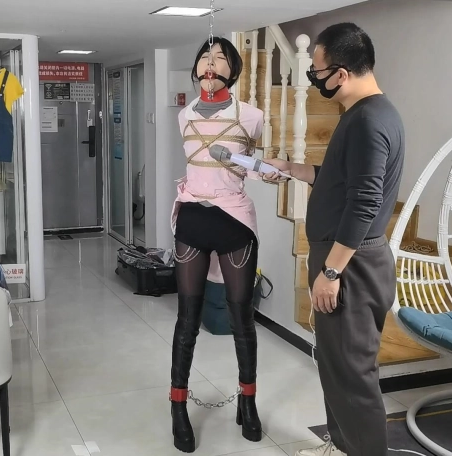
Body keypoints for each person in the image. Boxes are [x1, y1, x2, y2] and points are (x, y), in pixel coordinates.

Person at [264, 23, 405, 456]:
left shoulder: (367, 121)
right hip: (349, 258)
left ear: (341, 74)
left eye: (317, 72)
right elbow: (345, 180)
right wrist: (294, 169)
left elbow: (364, 203)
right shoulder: (367, 114)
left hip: (351, 264)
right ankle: (342, 447)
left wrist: (331, 271)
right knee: (337, 366)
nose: (313, 80)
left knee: (353, 375)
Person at [169, 37, 265, 453]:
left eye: (220, 57)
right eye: (204, 57)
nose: (210, 64)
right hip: (193, 218)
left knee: (242, 318)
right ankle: (177, 406)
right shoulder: (185, 114)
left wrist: (261, 169)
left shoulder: (252, 116)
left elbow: (255, 168)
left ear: (233, 69)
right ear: (196, 69)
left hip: (234, 222)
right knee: (187, 320)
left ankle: (248, 401)